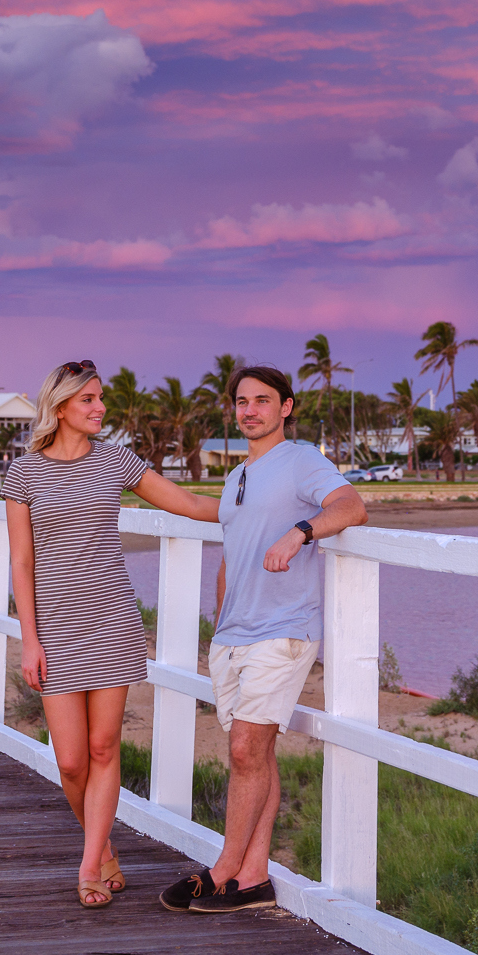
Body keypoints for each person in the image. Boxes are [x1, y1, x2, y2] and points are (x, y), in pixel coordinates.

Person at [2, 359, 219, 907]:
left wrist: (263, 512)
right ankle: (104, 850)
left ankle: (89, 864)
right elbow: (22, 564)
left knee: (103, 748)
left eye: (101, 399)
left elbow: (189, 504)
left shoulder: (115, 461)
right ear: (60, 407)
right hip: (56, 628)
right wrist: (30, 639)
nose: (101, 409)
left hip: (111, 622)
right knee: (71, 760)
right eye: (89, 400)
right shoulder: (24, 474)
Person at [162, 365, 367, 915]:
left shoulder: (301, 460)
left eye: (263, 400)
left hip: (284, 629)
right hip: (233, 634)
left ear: (286, 407)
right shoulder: (236, 477)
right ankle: (254, 880)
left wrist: (300, 533)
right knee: (258, 753)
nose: (250, 410)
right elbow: (232, 550)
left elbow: (352, 507)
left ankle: (223, 868)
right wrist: (221, 620)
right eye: (242, 401)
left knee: (244, 749)